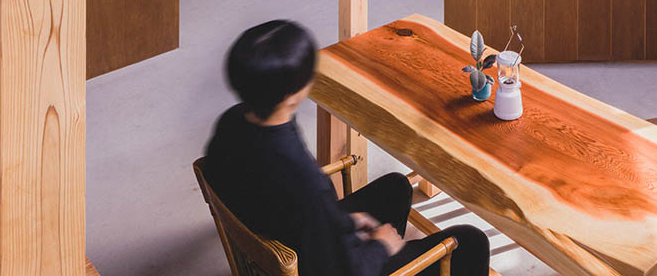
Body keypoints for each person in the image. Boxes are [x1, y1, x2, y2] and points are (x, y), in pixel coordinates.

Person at [203, 20, 490, 276]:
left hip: (292, 229)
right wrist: (381, 246)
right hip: (325, 262)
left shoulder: (231, 123)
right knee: (471, 240)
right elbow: (337, 265)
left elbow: (280, 204)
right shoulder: (305, 184)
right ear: (291, 94)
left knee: (396, 187)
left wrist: (340, 220)